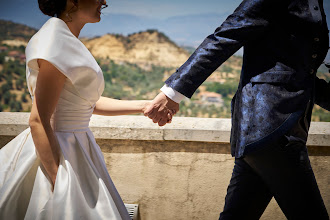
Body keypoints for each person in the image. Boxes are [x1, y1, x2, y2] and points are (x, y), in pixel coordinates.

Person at [144, 0, 330, 219]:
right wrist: (173, 93)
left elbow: (301, 75)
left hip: (266, 130)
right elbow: (225, 36)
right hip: (273, 128)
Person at [0, 0, 171, 219]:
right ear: (72, 1)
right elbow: (38, 120)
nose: (104, 1)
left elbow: (86, 102)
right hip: (59, 151)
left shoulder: (64, 39)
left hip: (77, 147)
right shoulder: (54, 41)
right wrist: (58, 180)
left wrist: (144, 106)